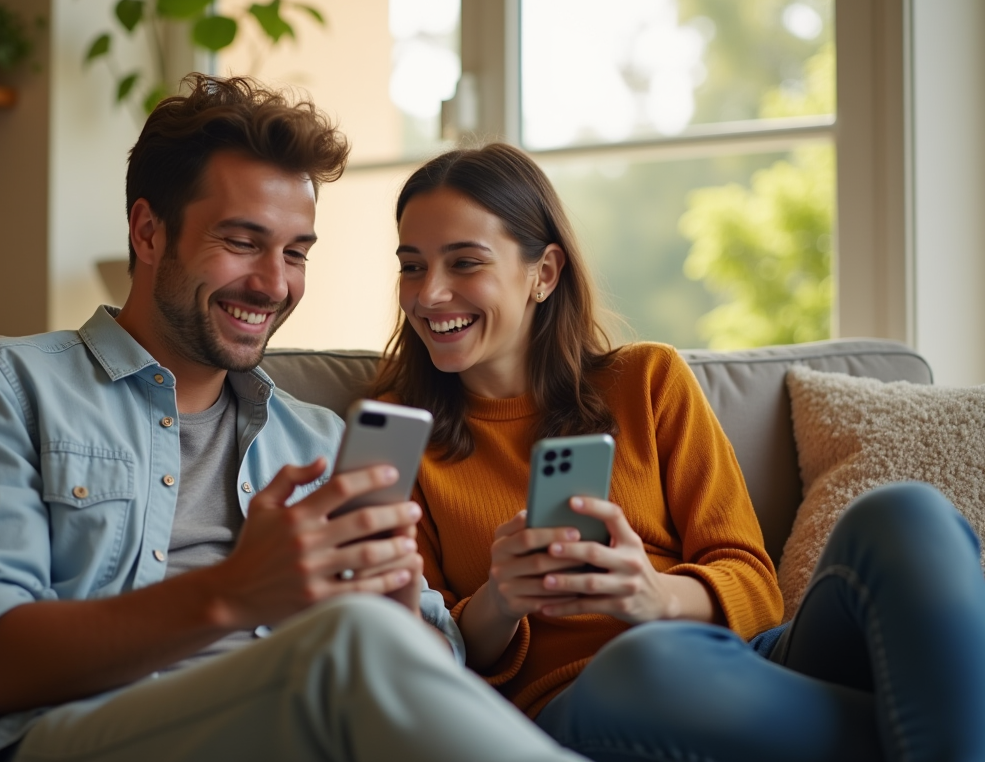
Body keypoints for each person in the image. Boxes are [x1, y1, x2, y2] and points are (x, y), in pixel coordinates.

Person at [0, 77, 585, 762]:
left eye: (296, 252)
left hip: (305, 726)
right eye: (243, 241)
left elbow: (434, 674)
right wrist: (235, 591)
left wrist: (398, 605)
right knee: (346, 648)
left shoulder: (317, 440)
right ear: (147, 232)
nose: (274, 284)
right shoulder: (4, 392)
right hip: (73, 737)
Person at [373, 142, 985, 762]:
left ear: (545, 273)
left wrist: (653, 596)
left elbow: (752, 580)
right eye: (413, 266)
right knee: (646, 661)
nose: (430, 295)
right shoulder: (397, 437)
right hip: (581, 701)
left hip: (747, 664)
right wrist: (501, 600)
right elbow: (418, 652)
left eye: (465, 263)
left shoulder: (646, 381)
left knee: (907, 514)